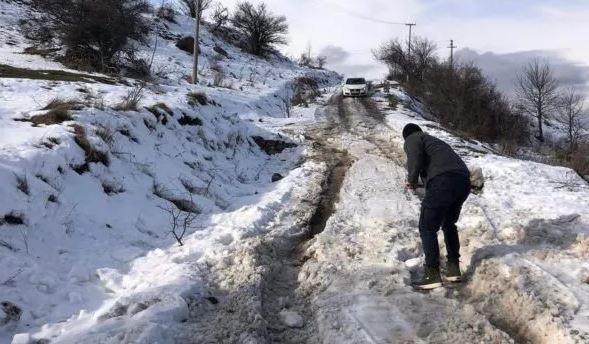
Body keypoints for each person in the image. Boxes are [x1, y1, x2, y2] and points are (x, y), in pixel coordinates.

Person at [402, 123, 471, 290]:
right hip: (463, 181)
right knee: (448, 224)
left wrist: (411, 180)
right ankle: (453, 269)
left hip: (443, 181)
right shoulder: (435, 143)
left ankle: (432, 273)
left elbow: (415, 157)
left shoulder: (413, 137)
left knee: (427, 227)